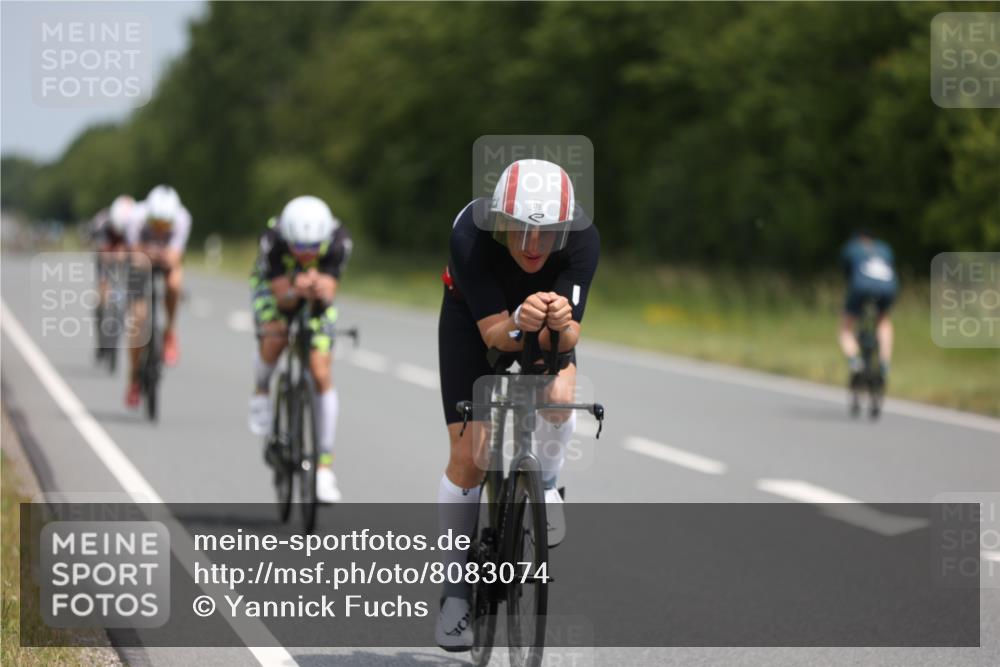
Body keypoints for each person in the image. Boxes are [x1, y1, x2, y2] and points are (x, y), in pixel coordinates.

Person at [435, 159, 599, 650]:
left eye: (546, 234)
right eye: (520, 231)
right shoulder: (470, 231)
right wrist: (520, 323)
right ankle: (456, 594)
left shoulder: (583, 238)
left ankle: (545, 482)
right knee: (469, 456)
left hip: (542, 323)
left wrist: (561, 321)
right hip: (474, 318)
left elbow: (569, 337)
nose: (532, 245)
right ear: (498, 220)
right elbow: (493, 335)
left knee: (559, 393)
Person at [247, 196, 352, 504]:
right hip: (273, 289)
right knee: (276, 334)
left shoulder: (339, 241)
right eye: (300, 248)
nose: (306, 254)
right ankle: (262, 388)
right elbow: (282, 299)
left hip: (315, 299)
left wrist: (317, 288)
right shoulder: (273, 240)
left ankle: (324, 469)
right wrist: (297, 289)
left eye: (312, 249)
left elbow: (329, 291)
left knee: (320, 372)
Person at [124, 185, 191, 407]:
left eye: (166, 226)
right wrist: (146, 253)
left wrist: (158, 254)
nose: (161, 230)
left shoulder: (182, 218)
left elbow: (173, 258)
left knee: (174, 284)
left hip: (163, 260)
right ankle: (134, 377)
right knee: (139, 320)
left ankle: (170, 330)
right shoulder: (135, 216)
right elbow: (133, 255)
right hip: (140, 262)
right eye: (156, 225)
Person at [838, 231, 898, 387]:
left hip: (860, 287)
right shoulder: (884, 248)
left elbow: (846, 273)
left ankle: (855, 362)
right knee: (883, 321)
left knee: (846, 327)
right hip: (888, 288)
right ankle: (884, 364)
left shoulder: (852, 248)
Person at [91, 195, 134, 339]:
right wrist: (113, 254)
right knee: (102, 293)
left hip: (124, 251)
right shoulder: (101, 221)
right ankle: (100, 328)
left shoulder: (136, 222)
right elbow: (101, 250)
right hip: (106, 253)